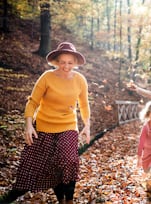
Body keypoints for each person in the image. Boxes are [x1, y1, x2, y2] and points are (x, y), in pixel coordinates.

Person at [0, 42, 91, 204]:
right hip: (43, 126)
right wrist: (28, 125)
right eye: (63, 62)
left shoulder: (80, 80)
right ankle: (59, 199)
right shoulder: (47, 77)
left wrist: (87, 125)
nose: (66, 66)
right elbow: (32, 102)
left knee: (69, 160)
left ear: (75, 63)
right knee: (45, 165)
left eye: (70, 62)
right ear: (56, 61)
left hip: (68, 125)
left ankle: (69, 200)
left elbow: (84, 105)